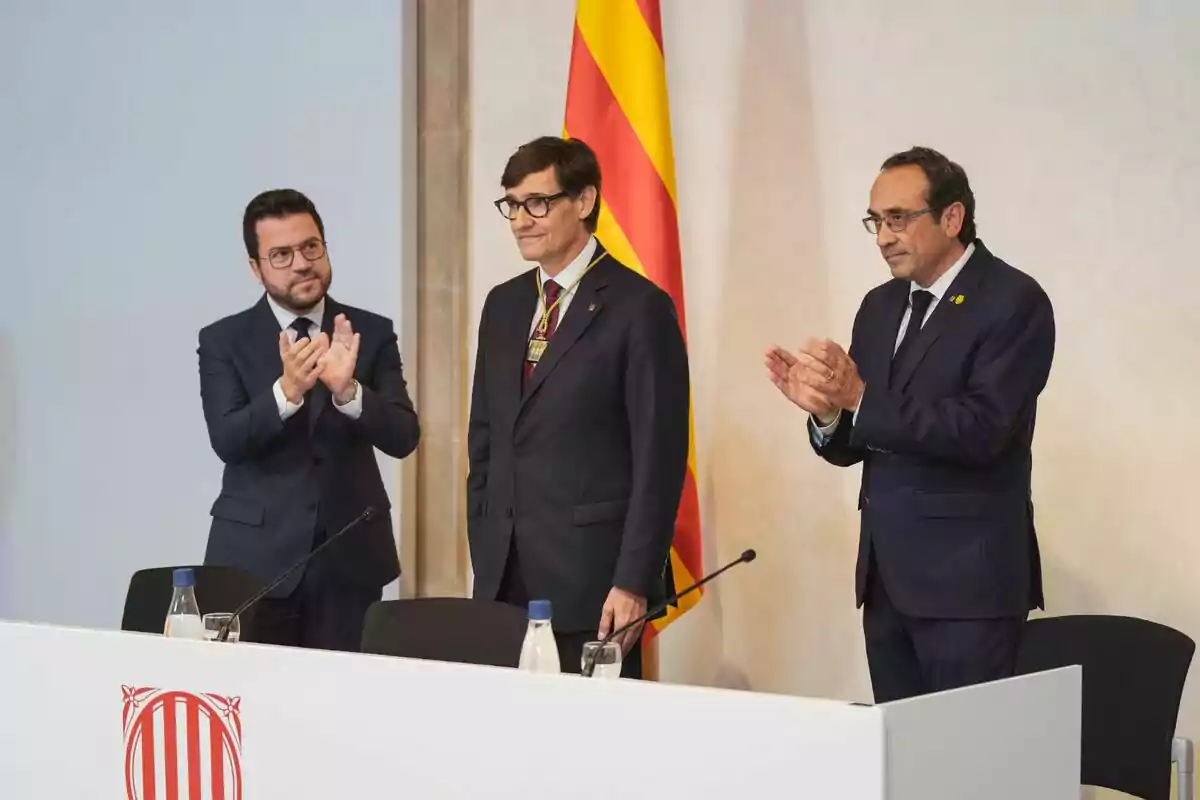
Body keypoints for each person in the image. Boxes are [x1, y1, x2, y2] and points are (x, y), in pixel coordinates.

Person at [765, 146, 1055, 702]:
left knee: (967, 773)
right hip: (886, 584)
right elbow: (862, 437)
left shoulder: (1013, 301)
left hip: (969, 592)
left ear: (952, 218)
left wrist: (858, 396)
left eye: (899, 218)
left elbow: (981, 430)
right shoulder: (880, 306)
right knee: (903, 766)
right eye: (876, 221)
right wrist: (828, 412)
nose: (883, 236)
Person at [467, 136, 690, 677]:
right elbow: (486, 440)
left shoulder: (640, 308)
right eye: (512, 205)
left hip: (595, 587)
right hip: (503, 584)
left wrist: (634, 580)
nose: (521, 219)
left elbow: (658, 463)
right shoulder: (504, 304)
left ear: (584, 201)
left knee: (593, 754)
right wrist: (485, 542)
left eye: (537, 202)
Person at [198, 188, 419, 651]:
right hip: (253, 562)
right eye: (281, 254)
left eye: (310, 247)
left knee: (343, 710)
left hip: (350, 558)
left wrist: (348, 391)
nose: (301, 263)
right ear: (256, 269)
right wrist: (287, 392)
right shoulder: (224, 340)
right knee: (256, 706)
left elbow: (403, 436)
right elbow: (228, 439)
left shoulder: (369, 332)